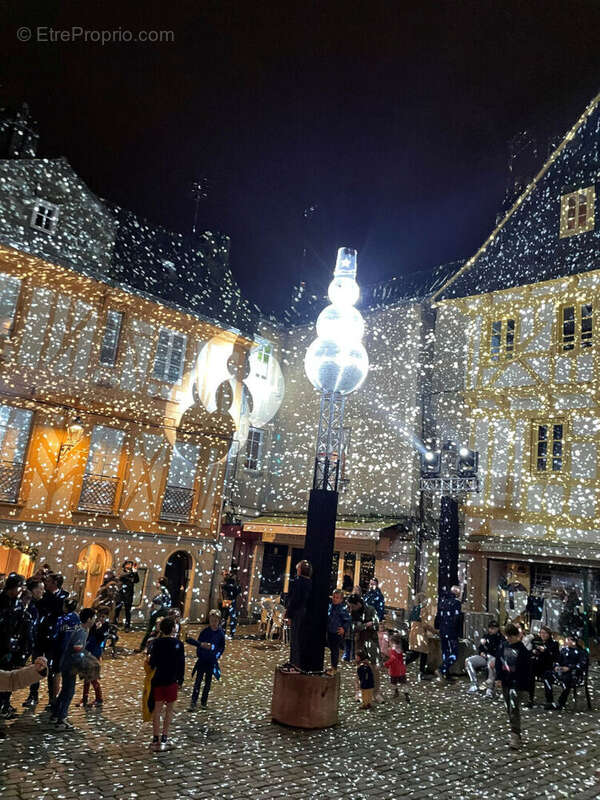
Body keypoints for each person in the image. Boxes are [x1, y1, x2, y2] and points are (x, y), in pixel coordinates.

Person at [52, 607, 97, 730]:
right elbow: (77, 649)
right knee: (69, 692)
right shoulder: (81, 631)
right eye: (94, 618)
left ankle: (55, 713)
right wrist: (85, 663)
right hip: (70, 665)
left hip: (66, 663)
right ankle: (61, 719)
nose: (95, 620)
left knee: (65, 690)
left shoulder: (80, 628)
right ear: (88, 619)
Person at [147, 617, 185, 751]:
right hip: (171, 681)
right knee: (169, 710)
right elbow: (181, 664)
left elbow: (153, 663)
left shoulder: (157, 643)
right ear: (173, 629)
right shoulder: (178, 644)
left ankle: (155, 737)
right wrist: (180, 680)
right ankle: (165, 736)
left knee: (157, 710)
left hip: (158, 680)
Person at [495, 622, 531, 749]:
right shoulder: (503, 646)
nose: (509, 639)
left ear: (517, 636)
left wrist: (525, 687)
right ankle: (515, 732)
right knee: (508, 708)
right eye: (507, 636)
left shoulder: (522, 650)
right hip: (506, 681)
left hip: (516, 683)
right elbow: (499, 662)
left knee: (514, 708)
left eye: (511, 637)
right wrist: (498, 678)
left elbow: (526, 670)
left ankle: (515, 735)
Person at [185, 609, 226, 710]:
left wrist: (216, 654)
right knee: (198, 681)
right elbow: (199, 643)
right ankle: (193, 701)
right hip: (203, 660)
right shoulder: (205, 632)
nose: (213, 622)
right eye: (212, 619)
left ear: (219, 620)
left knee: (208, 682)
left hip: (211, 661)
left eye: (216, 620)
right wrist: (200, 652)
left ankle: (204, 701)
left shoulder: (220, 633)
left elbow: (221, 646)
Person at [38, 572, 68, 706]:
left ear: (55, 583)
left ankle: (52, 696)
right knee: (37, 665)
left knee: (54, 669)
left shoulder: (65, 596)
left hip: (56, 638)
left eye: (48, 581)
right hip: (42, 635)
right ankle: (33, 694)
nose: (45, 584)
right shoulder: (43, 595)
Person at [347, 593, 383, 701]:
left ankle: (376, 693)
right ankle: (358, 692)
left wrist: (371, 625)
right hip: (360, 642)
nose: (351, 608)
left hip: (372, 642)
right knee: (359, 668)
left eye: (353, 606)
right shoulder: (353, 613)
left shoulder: (371, 610)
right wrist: (365, 625)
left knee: (374, 668)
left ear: (358, 604)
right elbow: (353, 628)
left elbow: (377, 624)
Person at [543, 633, 587, 710]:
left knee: (567, 679)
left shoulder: (581, 652)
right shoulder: (564, 650)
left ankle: (561, 702)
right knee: (547, 674)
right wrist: (556, 666)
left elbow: (582, 665)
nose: (566, 641)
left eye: (569, 640)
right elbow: (558, 660)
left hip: (573, 674)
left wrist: (570, 668)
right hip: (561, 671)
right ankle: (549, 700)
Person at [77, 607, 110, 708]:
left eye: (103, 617)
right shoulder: (93, 624)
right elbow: (89, 635)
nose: (100, 618)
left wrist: (97, 628)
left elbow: (100, 637)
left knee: (93, 677)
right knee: (86, 676)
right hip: (88, 651)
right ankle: (85, 697)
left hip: (95, 653)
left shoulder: (106, 626)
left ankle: (99, 698)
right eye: (99, 616)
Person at [284, 560, 312, 670]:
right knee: (300, 638)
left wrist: (289, 614)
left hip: (297, 612)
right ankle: (298, 662)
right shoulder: (310, 583)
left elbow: (295, 599)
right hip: (305, 613)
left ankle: (294, 663)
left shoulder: (298, 582)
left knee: (294, 638)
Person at [22, 577, 45, 708]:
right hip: (25, 642)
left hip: (36, 642)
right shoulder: (28, 605)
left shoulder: (40, 604)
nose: (42, 591)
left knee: (36, 668)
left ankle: (33, 695)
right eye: (39, 589)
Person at [465, 619, 504, 696]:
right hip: (484, 657)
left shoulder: (501, 638)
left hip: (495, 657)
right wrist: (481, 652)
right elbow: (480, 647)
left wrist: (494, 658)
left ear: (497, 628)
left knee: (491, 664)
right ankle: (474, 684)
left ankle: (489, 689)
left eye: (494, 628)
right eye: (490, 628)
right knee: (468, 661)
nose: (491, 630)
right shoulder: (486, 636)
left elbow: (501, 652)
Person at [435, 585, 463, 681]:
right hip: (451, 631)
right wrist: (459, 632)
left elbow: (438, 616)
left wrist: (438, 628)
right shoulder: (457, 603)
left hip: (443, 631)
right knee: (454, 653)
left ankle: (446, 674)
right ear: (457, 593)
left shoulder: (443, 602)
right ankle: (441, 669)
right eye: (459, 592)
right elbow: (457, 618)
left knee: (445, 652)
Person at [527, 625, 559, 707]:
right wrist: (534, 651)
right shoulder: (537, 641)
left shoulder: (554, 644)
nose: (542, 635)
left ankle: (549, 700)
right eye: (541, 633)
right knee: (530, 674)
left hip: (547, 666)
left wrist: (545, 651)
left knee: (546, 675)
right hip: (537, 666)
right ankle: (530, 698)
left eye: (544, 633)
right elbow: (531, 652)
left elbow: (555, 657)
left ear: (549, 634)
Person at [405, 593, 433, 681]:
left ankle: (402, 664)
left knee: (415, 653)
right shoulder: (423, 609)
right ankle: (422, 673)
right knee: (423, 652)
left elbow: (410, 620)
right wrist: (434, 631)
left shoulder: (414, 609)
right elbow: (425, 624)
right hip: (419, 633)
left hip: (413, 631)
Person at [138, 578, 171, 651]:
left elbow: (157, 603)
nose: (156, 584)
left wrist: (153, 612)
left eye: (157, 582)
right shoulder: (165, 592)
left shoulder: (161, 592)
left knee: (151, 630)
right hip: (162, 612)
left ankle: (143, 647)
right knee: (157, 631)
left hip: (158, 613)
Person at [327, 589, 350, 672]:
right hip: (329, 631)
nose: (334, 599)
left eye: (337, 598)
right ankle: (332, 666)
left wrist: (343, 628)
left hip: (336, 632)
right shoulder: (330, 606)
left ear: (341, 599)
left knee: (335, 651)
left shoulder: (342, 609)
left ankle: (334, 667)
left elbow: (347, 620)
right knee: (331, 649)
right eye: (334, 597)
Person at [384, 633, 409, 702]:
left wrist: (386, 664)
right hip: (401, 670)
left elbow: (393, 659)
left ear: (392, 642)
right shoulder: (400, 649)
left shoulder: (393, 650)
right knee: (403, 683)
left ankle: (396, 692)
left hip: (395, 670)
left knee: (393, 682)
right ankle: (406, 694)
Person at [115, 561, 139, 631]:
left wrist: (135, 572)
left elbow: (137, 580)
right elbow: (121, 577)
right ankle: (115, 625)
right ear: (124, 565)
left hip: (129, 594)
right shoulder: (122, 572)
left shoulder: (133, 573)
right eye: (128, 564)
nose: (129, 566)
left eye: (130, 564)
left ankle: (127, 626)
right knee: (117, 610)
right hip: (120, 593)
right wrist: (130, 575)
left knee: (127, 611)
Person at [220, 570, 241, 639]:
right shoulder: (223, 582)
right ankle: (223, 633)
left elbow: (237, 590)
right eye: (224, 574)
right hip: (225, 601)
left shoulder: (232, 581)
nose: (225, 576)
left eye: (227, 574)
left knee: (232, 618)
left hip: (231, 600)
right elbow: (223, 590)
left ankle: (232, 633)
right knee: (224, 618)